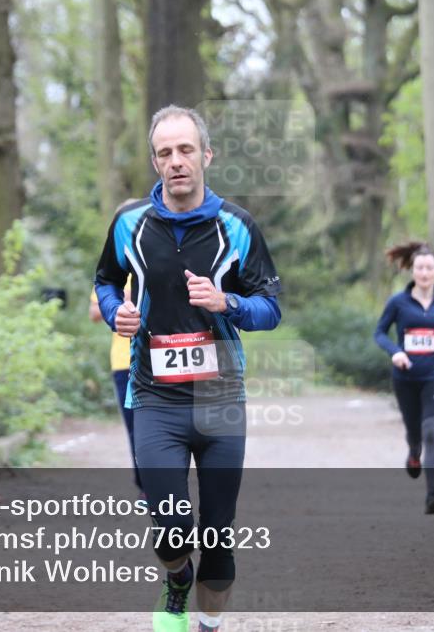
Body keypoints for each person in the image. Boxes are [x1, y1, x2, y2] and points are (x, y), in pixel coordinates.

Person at [94, 105, 282, 632]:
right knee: (171, 523)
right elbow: (105, 280)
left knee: (218, 539)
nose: (176, 161)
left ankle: (207, 626)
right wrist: (115, 312)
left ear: (206, 155)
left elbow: (271, 308)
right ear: (155, 163)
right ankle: (177, 579)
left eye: (185, 150)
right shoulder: (130, 224)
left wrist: (229, 303)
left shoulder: (238, 226)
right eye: (165, 153)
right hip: (155, 397)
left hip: (221, 399)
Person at [373, 241, 434, 515]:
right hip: (405, 379)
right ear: (412, 271)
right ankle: (414, 453)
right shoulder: (398, 302)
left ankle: (431, 496)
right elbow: (379, 333)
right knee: (415, 434)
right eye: (420, 268)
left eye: (429, 268)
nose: (424, 273)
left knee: (431, 432)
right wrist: (396, 352)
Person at [90, 270, 140, 493]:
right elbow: (94, 311)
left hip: (161, 358)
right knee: (135, 428)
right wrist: (125, 298)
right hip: (124, 362)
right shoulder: (116, 272)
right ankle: (145, 487)